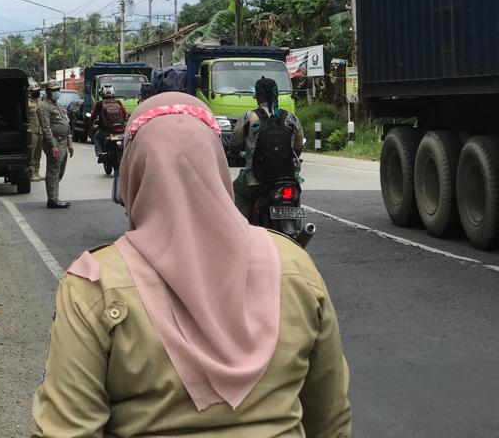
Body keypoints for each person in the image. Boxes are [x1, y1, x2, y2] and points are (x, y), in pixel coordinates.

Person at [31, 92, 351, 437]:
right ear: (214, 163)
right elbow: (329, 419)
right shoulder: (295, 265)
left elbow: (65, 430)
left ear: (133, 170)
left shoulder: (95, 284)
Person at [231, 76, 305, 214]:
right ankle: (296, 225)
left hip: (255, 179)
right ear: (276, 94)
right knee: (294, 194)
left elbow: (235, 142)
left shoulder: (249, 117)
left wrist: (234, 152)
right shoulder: (291, 118)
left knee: (236, 191)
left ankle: (242, 230)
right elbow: (299, 146)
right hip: (287, 177)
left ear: (258, 96)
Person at [38, 79, 73, 209]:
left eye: (58, 90)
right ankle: (52, 200)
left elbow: (66, 123)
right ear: (47, 92)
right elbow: (46, 128)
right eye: (54, 90)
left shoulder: (57, 105)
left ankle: (55, 196)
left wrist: (69, 143)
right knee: (53, 170)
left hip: (63, 141)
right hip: (54, 141)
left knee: (60, 171)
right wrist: (53, 146)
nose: (56, 92)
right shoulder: (44, 107)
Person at [91, 83, 127, 162]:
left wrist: (90, 124)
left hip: (105, 129)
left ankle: (100, 153)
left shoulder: (99, 104)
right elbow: (124, 113)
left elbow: (93, 116)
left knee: (96, 137)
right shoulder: (118, 102)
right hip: (119, 129)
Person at [28, 80, 44, 182]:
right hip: (32, 131)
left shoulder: (40, 102)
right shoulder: (28, 102)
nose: (37, 92)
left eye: (38, 91)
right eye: (35, 91)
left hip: (40, 131)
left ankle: (37, 171)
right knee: (31, 154)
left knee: (38, 153)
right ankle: (31, 172)